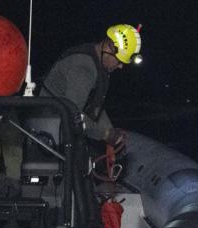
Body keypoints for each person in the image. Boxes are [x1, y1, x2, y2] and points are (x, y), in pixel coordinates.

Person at [39, 24, 143, 154]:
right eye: (119, 61)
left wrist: (110, 130)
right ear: (110, 48)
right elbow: (72, 113)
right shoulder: (84, 69)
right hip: (49, 134)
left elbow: (94, 106)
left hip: (61, 129)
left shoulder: (97, 63)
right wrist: (105, 134)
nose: (121, 66)